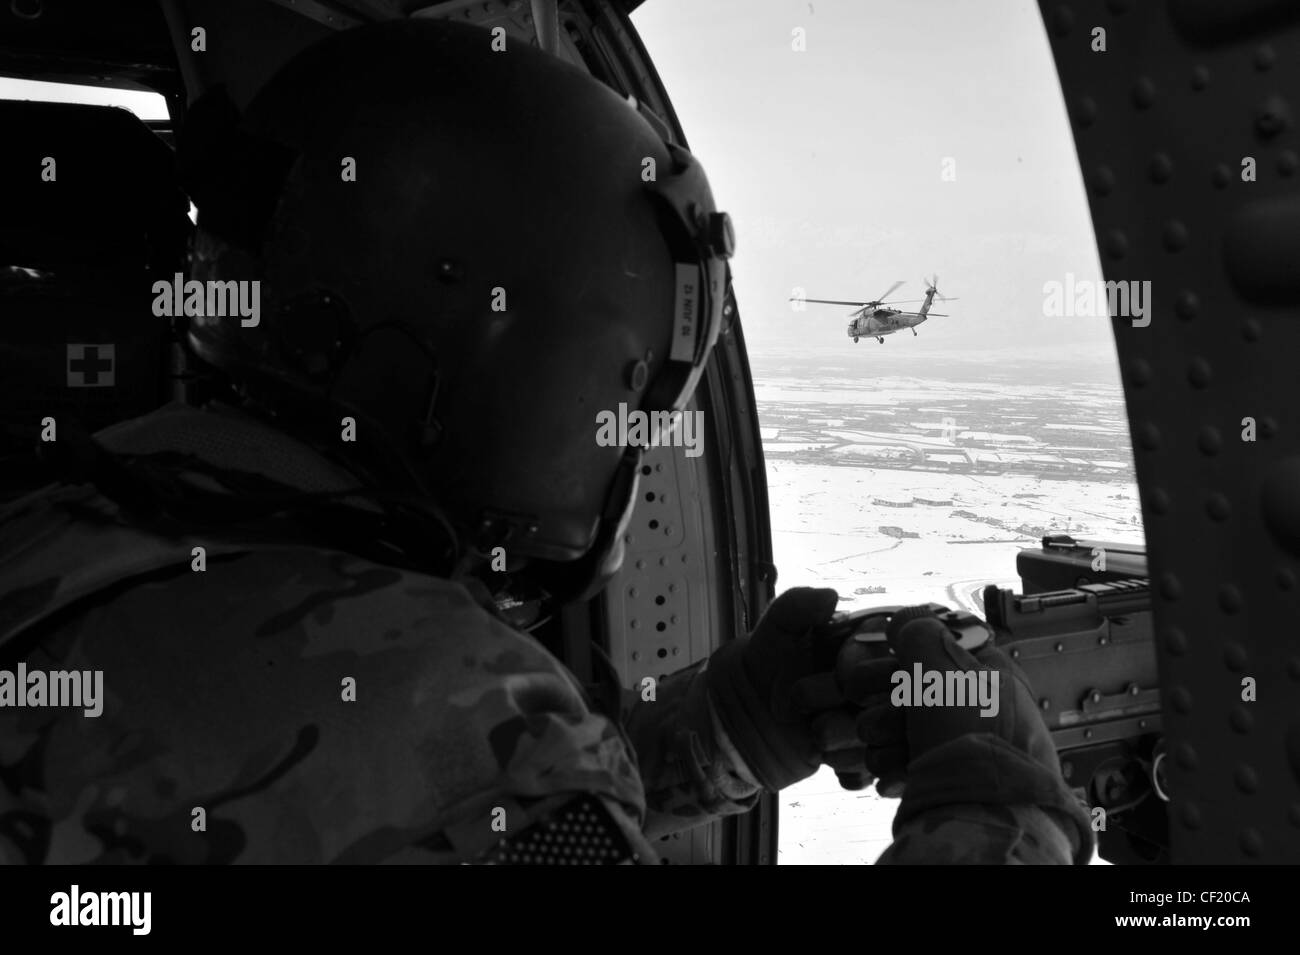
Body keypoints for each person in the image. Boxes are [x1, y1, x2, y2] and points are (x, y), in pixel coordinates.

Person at [0, 18, 1091, 865]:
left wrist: (740, 723)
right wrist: (1001, 805)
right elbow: (434, 783)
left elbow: (402, 814)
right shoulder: (437, 696)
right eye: (638, 403)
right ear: (539, 365)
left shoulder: (86, 519)